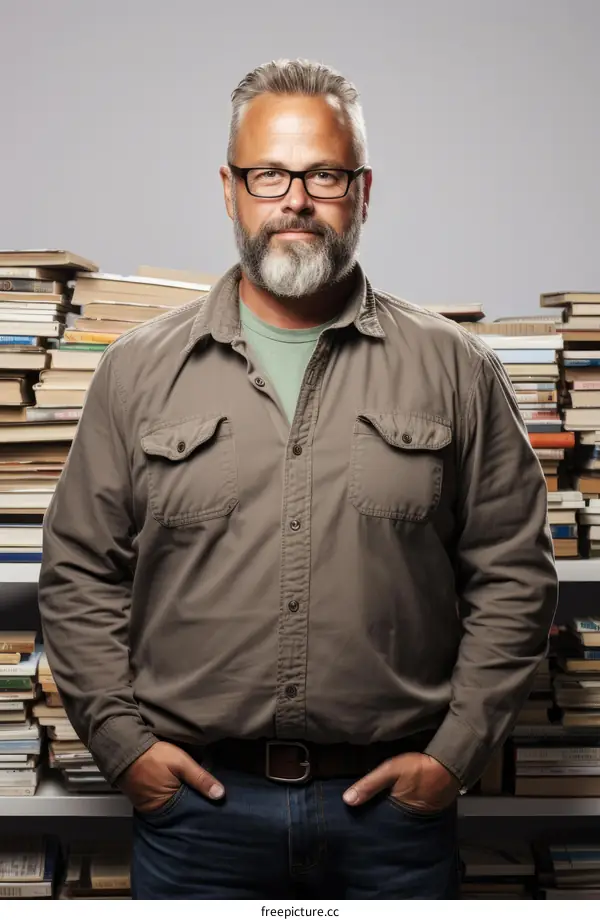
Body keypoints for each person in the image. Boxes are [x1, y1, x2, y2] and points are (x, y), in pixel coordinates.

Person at [39, 58, 558, 900]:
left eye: (323, 173)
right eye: (269, 173)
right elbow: (77, 575)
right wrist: (125, 749)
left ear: (361, 189)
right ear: (230, 187)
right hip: (195, 818)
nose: (295, 199)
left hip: (394, 820)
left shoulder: (456, 368)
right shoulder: (136, 372)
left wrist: (452, 758)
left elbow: (515, 578)